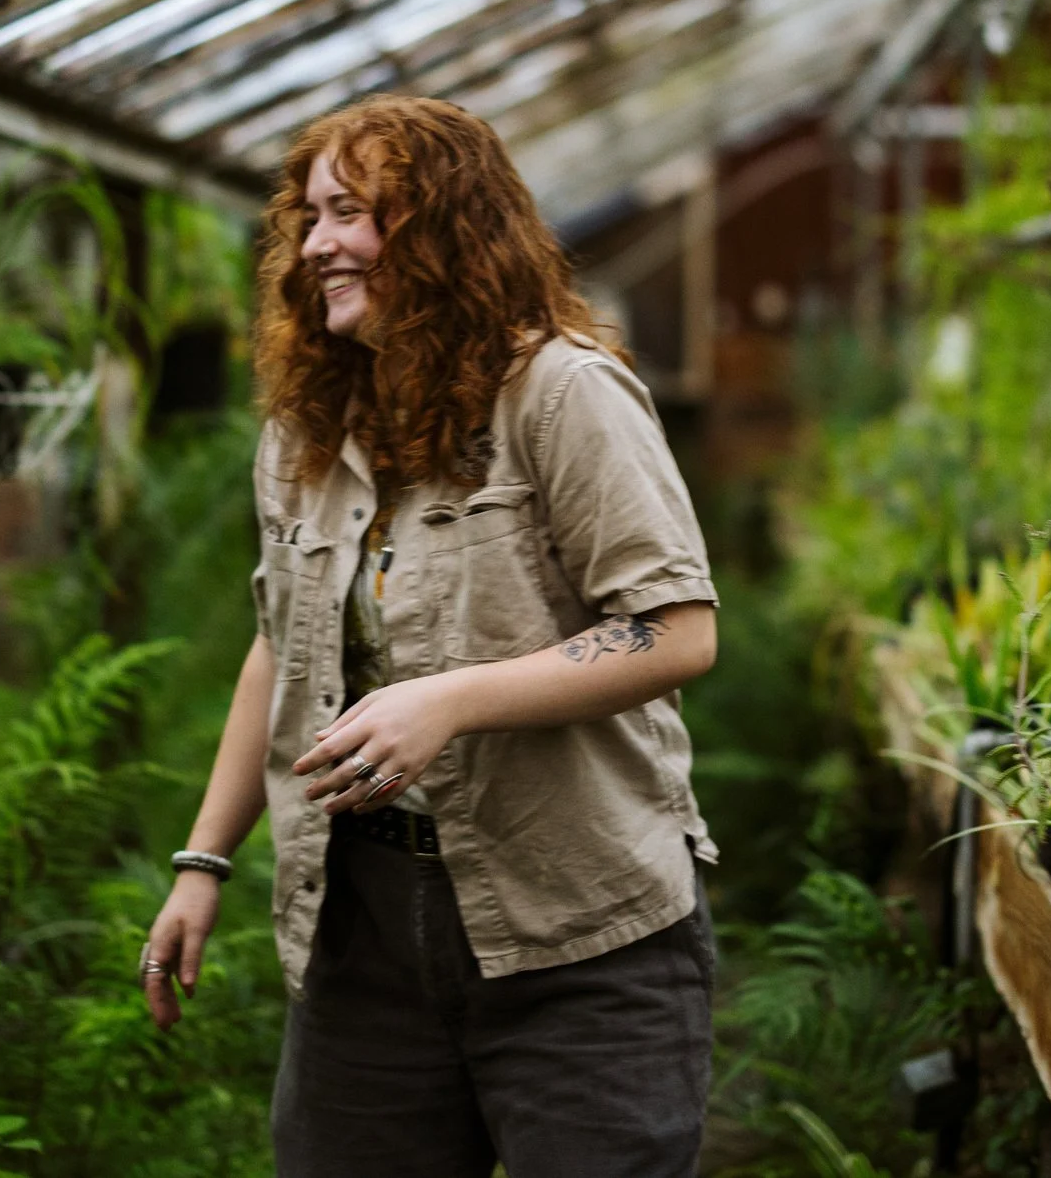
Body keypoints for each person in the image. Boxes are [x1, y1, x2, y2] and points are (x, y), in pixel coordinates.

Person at [140, 95, 721, 1178]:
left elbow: (675, 631)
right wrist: (203, 860)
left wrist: (449, 700)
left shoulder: (562, 392)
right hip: (361, 927)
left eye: (349, 212)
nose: (314, 245)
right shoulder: (308, 429)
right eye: (309, 217)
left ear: (442, 226)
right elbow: (279, 645)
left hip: (579, 924)